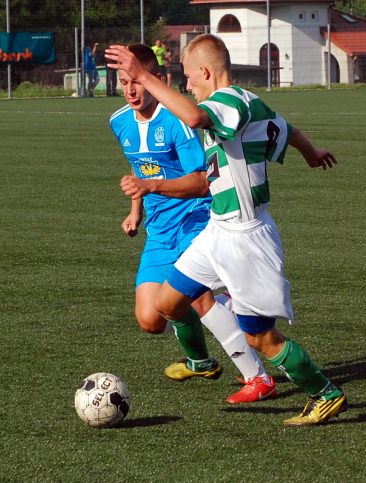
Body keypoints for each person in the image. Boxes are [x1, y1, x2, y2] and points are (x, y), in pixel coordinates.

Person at [106, 34, 347, 426]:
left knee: (261, 339)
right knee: (167, 304)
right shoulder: (250, 104)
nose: (186, 85)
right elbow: (286, 127)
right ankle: (215, 336)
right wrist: (311, 153)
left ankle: (325, 392)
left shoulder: (228, 101)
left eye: (187, 77)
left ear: (204, 71)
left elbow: (196, 117)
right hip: (219, 230)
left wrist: (144, 77)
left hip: (246, 238)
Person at [109, 43, 278, 404]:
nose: (131, 90)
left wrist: (151, 185)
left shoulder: (179, 120)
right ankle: (202, 361)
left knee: (197, 296)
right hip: (159, 231)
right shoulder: (118, 121)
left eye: (136, 80)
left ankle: (257, 375)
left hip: (195, 220)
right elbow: (141, 170)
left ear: (156, 78)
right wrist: (136, 210)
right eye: (123, 82)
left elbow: (202, 181)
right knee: (151, 320)